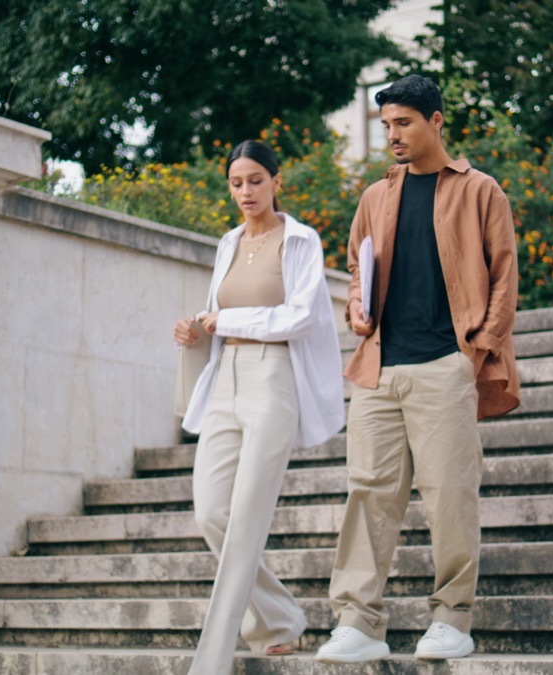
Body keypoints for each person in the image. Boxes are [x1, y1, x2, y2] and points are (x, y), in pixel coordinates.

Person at [317, 74, 521, 664]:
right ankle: (359, 622)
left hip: (445, 362)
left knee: (449, 494)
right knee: (368, 494)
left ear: (435, 120)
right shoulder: (376, 196)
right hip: (380, 367)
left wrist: (476, 350)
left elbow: (504, 276)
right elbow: (358, 268)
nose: (393, 136)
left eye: (403, 122)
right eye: (385, 126)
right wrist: (357, 305)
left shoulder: (481, 191)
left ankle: (452, 618)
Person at [174, 139, 346, 675]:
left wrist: (226, 321)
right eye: (236, 183)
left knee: (247, 518)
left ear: (276, 180)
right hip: (224, 378)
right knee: (212, 511)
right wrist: (196, 325)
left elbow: (300, 317)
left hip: (274, 380)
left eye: (254, 180)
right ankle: (278, 618)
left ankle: (213, 659)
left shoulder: (300, 240)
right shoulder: (227, 242)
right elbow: (219, 312)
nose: (245, 191)